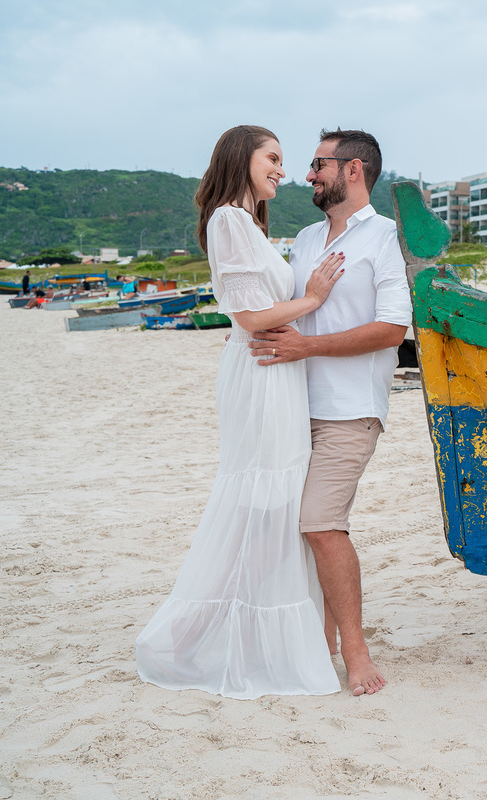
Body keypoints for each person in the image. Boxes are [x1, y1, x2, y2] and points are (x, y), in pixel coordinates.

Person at [135, 125, 347, 699]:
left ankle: (249, 637)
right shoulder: (229, 218)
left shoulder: (249, 225)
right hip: (260, 374)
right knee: (262, 498)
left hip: (276, 374)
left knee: (274, 502)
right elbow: (253, 316)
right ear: (242, 159)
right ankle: (192, 639)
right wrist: (315, 298)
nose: (282, 168)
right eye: (273, 158)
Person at [247, 128, 410, 696]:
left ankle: (355, 654)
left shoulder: (386, 238)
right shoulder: (306, 239)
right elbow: (288, 312)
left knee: (321, 522)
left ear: (353, 170)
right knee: (296, 529)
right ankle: (319, 640)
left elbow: (393, 328)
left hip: (349, 409)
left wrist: (308, 346)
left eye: (318, 163)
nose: (308, 174)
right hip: (292, 406)